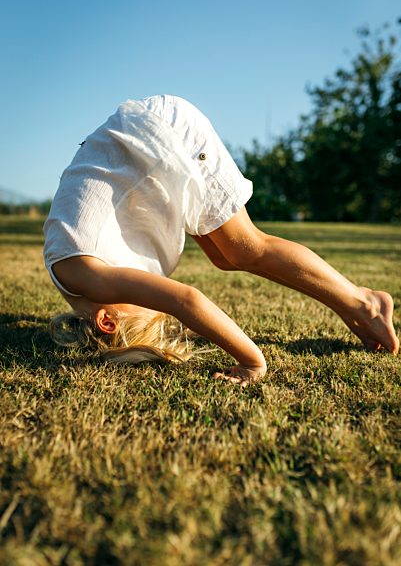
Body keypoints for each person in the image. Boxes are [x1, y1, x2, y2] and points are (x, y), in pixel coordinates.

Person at [43, 94, 399, 386]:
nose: (150, 295)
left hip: (165, 133)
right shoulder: (74, 274)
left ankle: (366, 304)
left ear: (107, 321)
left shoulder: (87, 275)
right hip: (136, 149)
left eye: (151, 315)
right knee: (227, 257)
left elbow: (185, 299)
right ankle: (356, 303)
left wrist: (251, 361)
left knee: (247, 248)